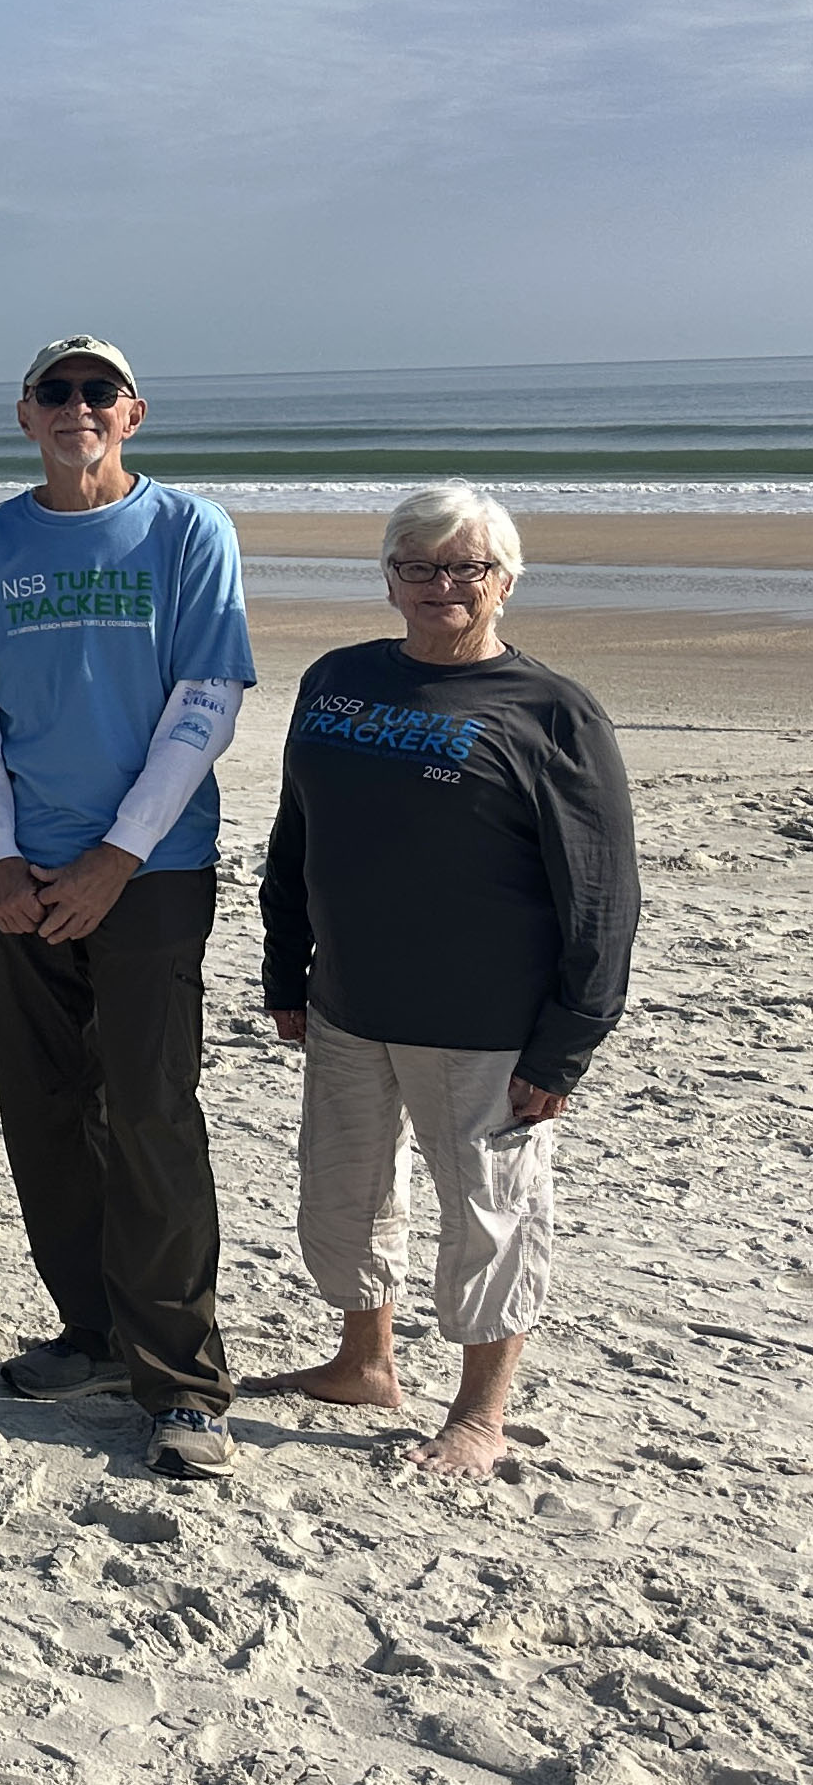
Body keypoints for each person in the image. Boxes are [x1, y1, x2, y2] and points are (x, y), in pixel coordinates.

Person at [247, 485, 637, 1479]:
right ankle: (361, 1362)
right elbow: (296, 838)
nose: (439, 585)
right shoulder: (336, 681)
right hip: (346, 1005)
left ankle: (477, 1412)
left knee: (488, 1218)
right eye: (416, 566)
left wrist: (566, 1042)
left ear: (503, 581)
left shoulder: (549, 711)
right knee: (342, 1196)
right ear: (387, 578)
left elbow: (598, 894)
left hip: (485, 1027)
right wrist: (283, 964)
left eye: (464, 567)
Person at [0, 335, 256, 1480]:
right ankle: (92, 1335)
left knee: (152, 1114)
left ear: (130, 415)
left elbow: (206, 697)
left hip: (150, 870)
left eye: (95, 392)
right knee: (43, 1108)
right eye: (53, 392)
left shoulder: (186, 530)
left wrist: (116, 858)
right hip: (21, 871)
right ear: (23, 415)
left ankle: (180, 1378)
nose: (75, 407)